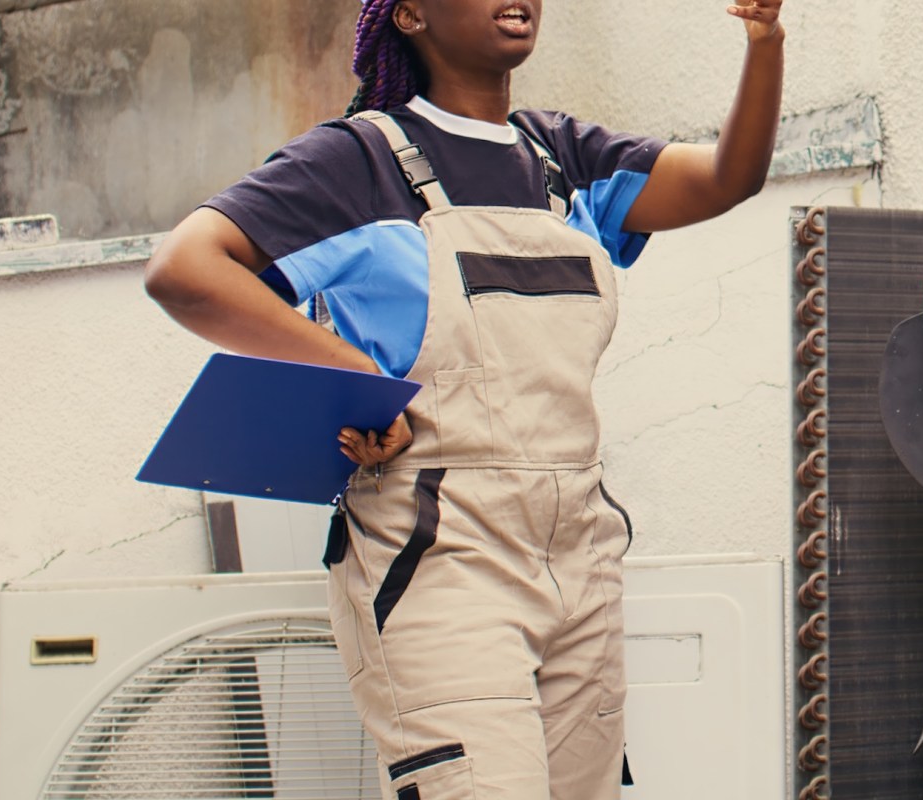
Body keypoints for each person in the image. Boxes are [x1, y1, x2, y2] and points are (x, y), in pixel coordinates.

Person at [144, 0, 785, 797]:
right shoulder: (357, 162)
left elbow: (730, 176)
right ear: (409, 14)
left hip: (580, 553)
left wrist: (764, 38)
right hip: (440, 556)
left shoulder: (561, 159)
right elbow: (185, 269)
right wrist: (361, 379)